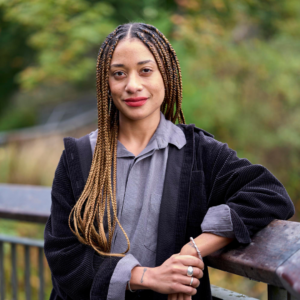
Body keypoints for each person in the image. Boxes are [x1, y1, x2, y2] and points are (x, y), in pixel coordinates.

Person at [44, 23, 295, 300]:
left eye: (145, 70)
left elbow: (270, 195)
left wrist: (194, 248)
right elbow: (64, 257)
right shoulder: (79, 157)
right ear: (107, 83)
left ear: (166, 75)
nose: (132, 85)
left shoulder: (197, 153)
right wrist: (147, 277)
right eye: (119, 74)